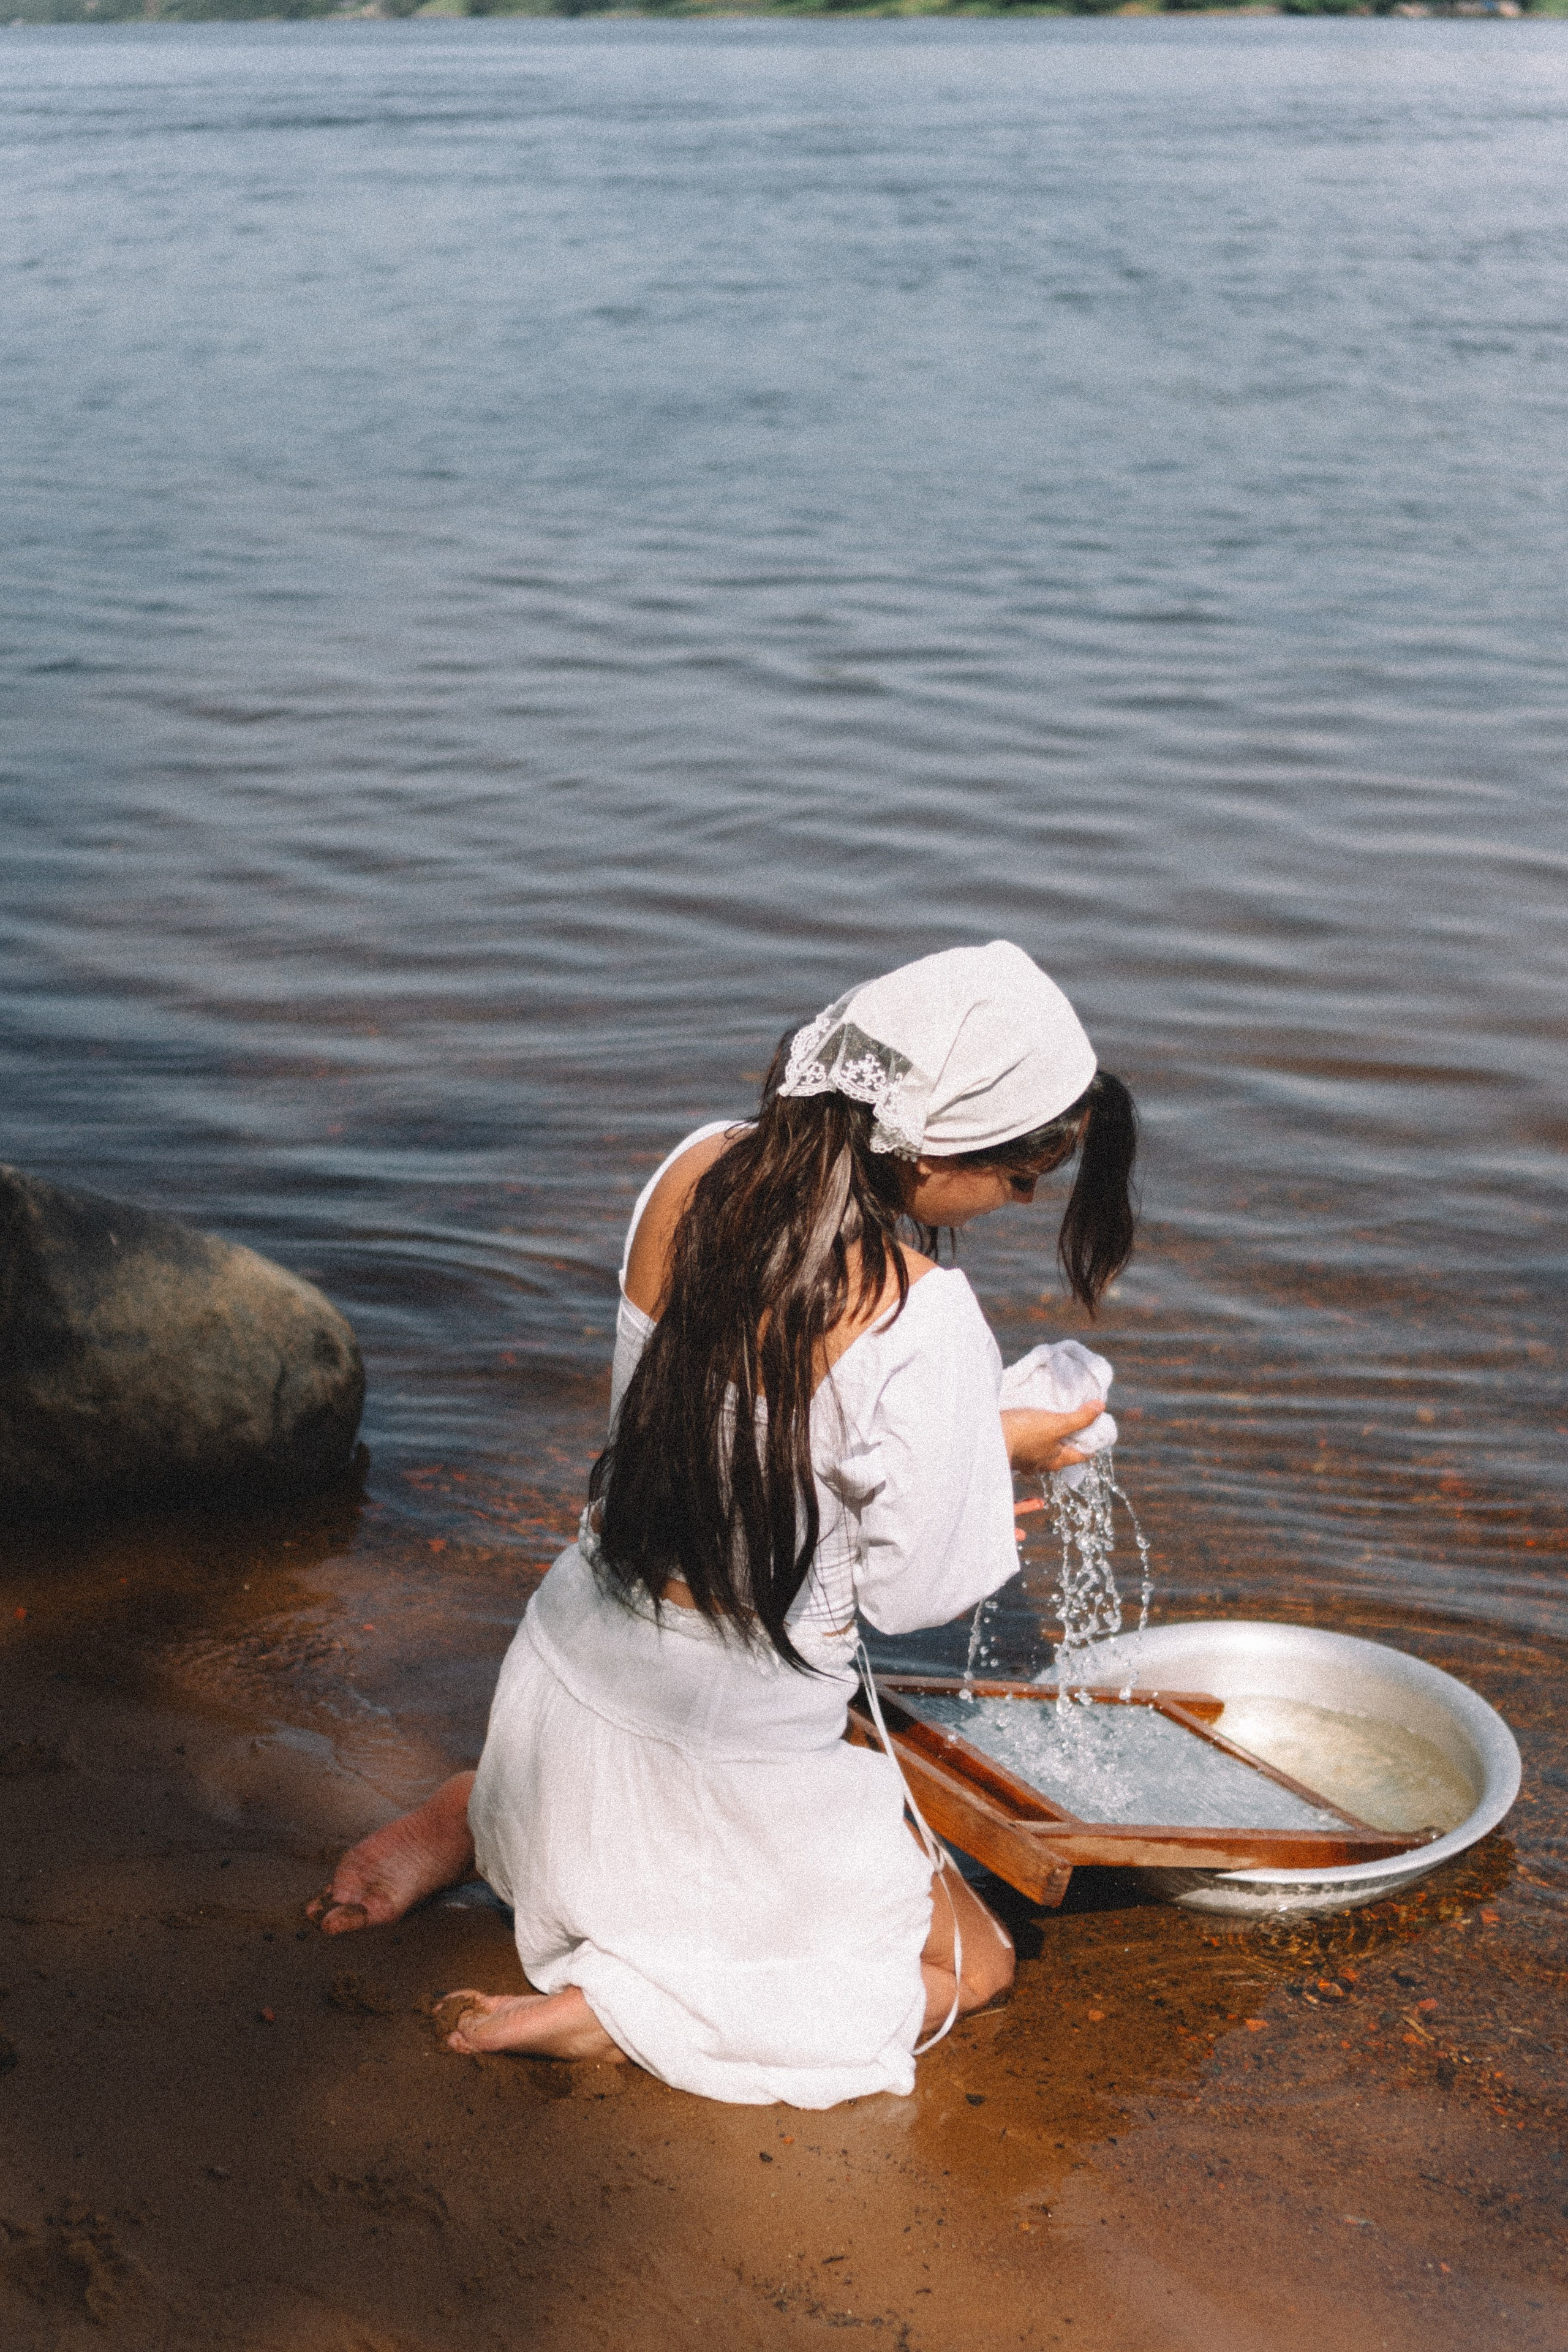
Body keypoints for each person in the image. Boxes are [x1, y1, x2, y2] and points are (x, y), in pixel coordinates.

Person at [309, 940, 1137, 2108]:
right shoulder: (924, 1316)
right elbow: (913, 1596)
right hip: (712, 1750)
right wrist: (997, 1457)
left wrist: (972, 1439)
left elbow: (739, 1429)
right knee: (974, 1966)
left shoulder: (697, 1166)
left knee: (793, 1764)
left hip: (557, 1689)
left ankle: (478, 1812)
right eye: (1023, 1173)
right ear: (933, 1147)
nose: (1026, 1200)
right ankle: (624, 2012)